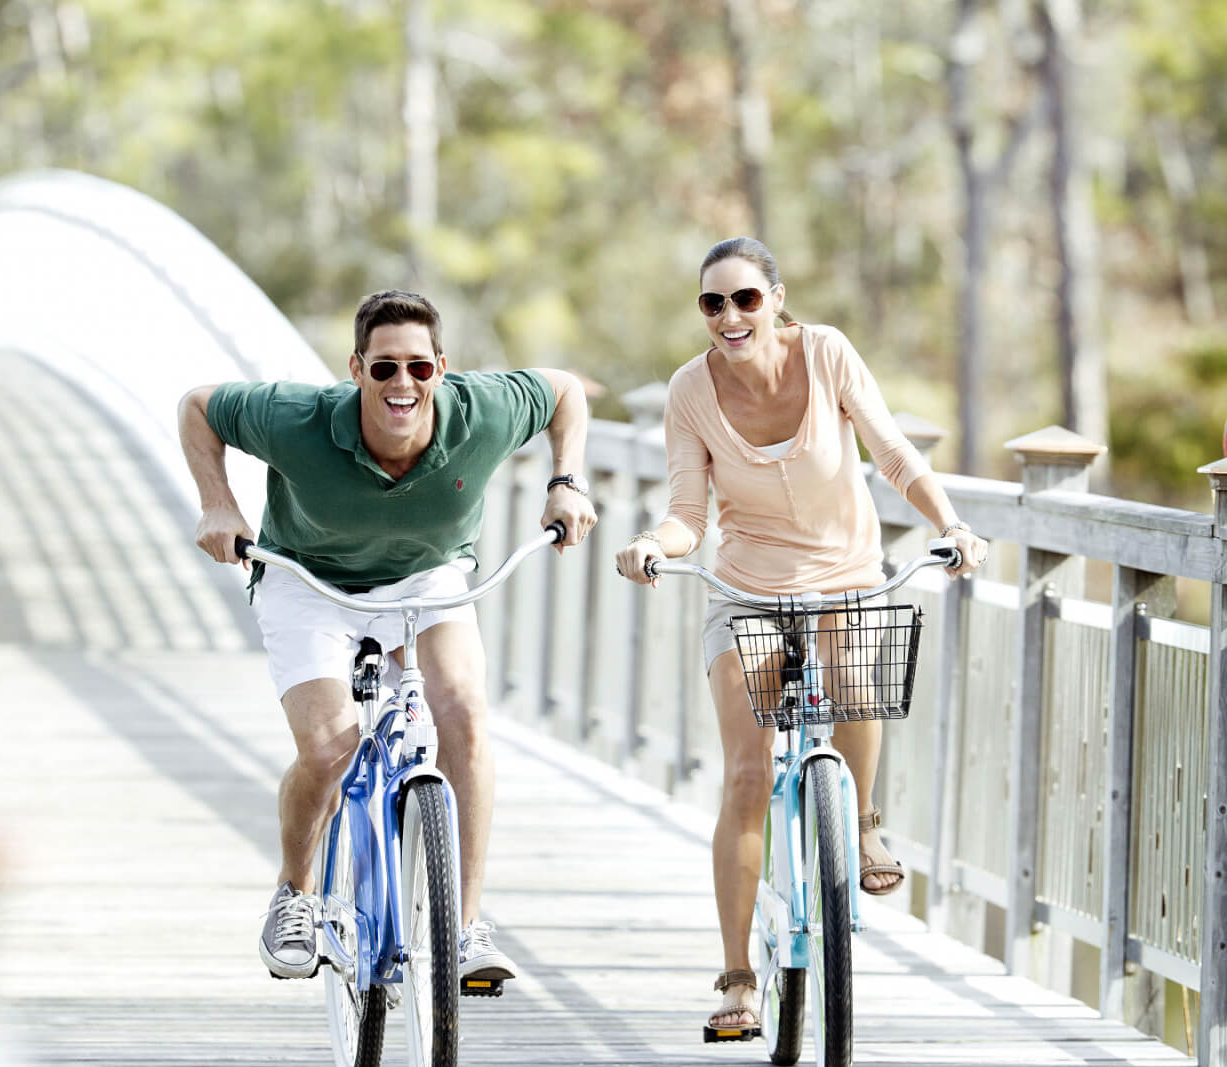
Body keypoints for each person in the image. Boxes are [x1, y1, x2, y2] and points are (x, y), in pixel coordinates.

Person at [613, 238, 987, 1035]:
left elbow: (892, 452)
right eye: (713, 303)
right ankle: (740, 976)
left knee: (856, 678)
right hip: (745, 588)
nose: (730, 316)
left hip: (846, 573)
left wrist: (951, 524)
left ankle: (861, 821)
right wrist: (654, 543)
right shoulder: (690, 390)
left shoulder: (827, 353)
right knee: (746, 775)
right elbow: (688, 511)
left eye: (746, 298)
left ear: (777, 298)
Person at [180, 289, 597, 986]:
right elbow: (199, 405)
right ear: (355, 368)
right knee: (328, 745)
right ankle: (296, 893)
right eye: (383, 369)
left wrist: (566, 480)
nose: (402, 385)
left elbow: (563, 393)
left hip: (426, 579)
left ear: (442, 367)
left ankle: (465, 928)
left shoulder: (485, 409)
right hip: (309, 580)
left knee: (462, 709)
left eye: (419, 368)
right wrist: (218, 502)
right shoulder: (296, 418)